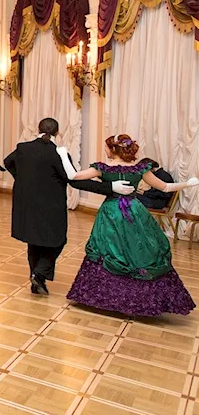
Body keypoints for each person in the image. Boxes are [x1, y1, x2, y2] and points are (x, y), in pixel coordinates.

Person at [60, 134, 198, 315]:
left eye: (107, 147)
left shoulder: (103, 167)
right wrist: (187, 184)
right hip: (135, 211)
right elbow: (165, 187)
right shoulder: (139, 169)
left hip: (111, 213)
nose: (105, 150)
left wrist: (63, 154)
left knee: (109, 250)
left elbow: (73, 175)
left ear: (114, 149)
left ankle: (105, 297)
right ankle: (142, 300)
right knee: (139, 250)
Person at [5, 118, 134, 296]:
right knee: (58, 240)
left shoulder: (23, 148)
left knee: (34, 242)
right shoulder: (58, 154)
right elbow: (76, 182)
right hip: (51, 205)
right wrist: (109, 188)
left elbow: (7, 162)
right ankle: (39, 274)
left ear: (38, 129)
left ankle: (37, 281)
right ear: (58, 133)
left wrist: (22, 179)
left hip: (26, 203)